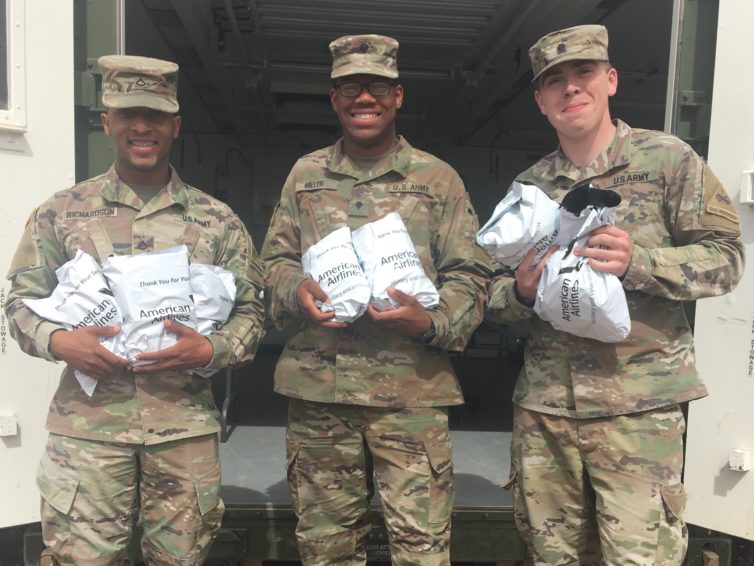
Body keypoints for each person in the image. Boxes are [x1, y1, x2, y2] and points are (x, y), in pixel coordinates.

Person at [486, 25, 744, 566]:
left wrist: (641, 263)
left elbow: (727, 259)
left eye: (583, 73)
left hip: (638, 413)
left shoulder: (669, 161)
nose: (570, 89)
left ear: (610, 80)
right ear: (540, 101)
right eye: (553, 81)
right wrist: (522, 294)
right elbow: (491, 293)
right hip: (547, 415)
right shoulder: (530, 188)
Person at [4, 55, 265, 565]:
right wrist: (60, 341)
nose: (141, 126)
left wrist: (211, 347)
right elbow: (18, 302)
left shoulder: (217, 221)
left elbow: (252, 316)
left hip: (182, 430)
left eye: (156, 115)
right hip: (89, 431)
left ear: (175, 125)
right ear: (107, 123)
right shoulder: (61, 212)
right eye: (127, 114)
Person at [261, 34, 491, 566]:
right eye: (349, 87)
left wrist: (430, 322)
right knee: (325, 549)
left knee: (422, 550)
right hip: (321, 394)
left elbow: (472, 273)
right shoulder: (306, 175)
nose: (364, 98)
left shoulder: (437, 179)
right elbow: (272, 262)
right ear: (334, 98)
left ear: (398, 95)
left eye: (377, 86)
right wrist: (295, 290)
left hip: (411, 394)